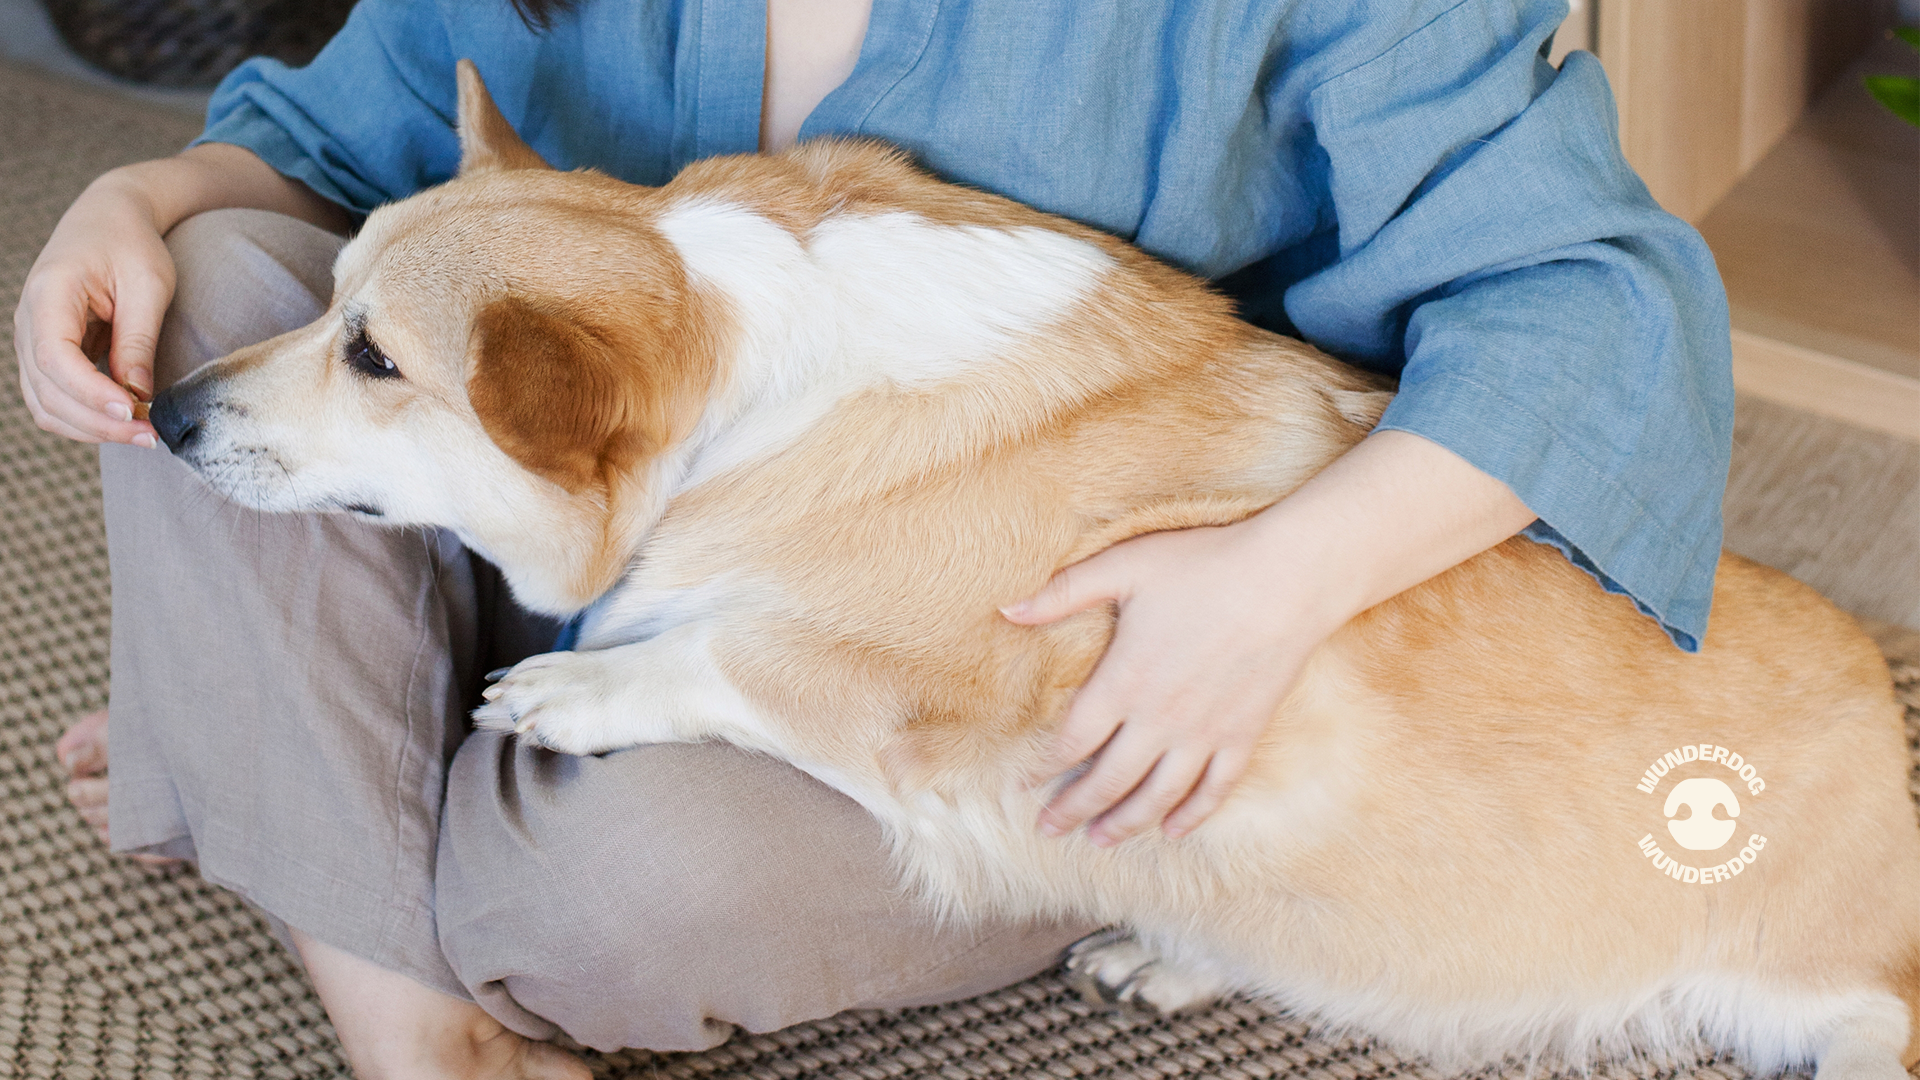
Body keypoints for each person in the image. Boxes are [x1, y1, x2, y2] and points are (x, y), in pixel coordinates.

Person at [12, 0, 1733, 1076]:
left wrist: (1274, 585)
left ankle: (279, 751)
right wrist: (134, 201)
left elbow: (1588, 302)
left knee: (606, 906)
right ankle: (407, 1018)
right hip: (615, 521)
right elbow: (324, 147)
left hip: (1022, 661)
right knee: (221, 301)